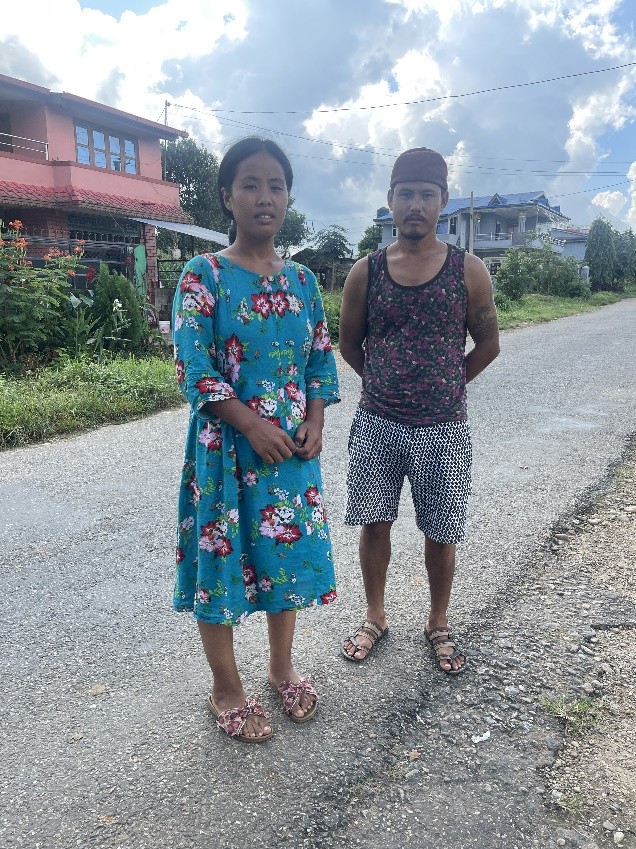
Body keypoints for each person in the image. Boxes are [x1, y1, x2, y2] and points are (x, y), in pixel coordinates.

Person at [172, 137, 340, 742]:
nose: (264, 197)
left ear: (288, 198)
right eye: (251, 184)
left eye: (276, 186)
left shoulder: (303, 280)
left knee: (283, 560)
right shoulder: (204, 276)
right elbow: (194, 367)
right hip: (225, 450)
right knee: (220, 565)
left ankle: (281, 667)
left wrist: (315, 421)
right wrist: (250, 422)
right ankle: (226, 687)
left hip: (289, 454)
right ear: (227, 196)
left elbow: (320, 358)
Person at [339, 147, 500, 674]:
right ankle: (376, 615)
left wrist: (447, 386)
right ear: (389, 201)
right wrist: (386, 387)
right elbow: (350, 345)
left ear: (443, 202)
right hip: (376, 425)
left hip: (445, 429)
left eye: (426, 195)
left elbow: (488, 344)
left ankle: (437, 621)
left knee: (441, 531)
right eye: (405, 193)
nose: (415, 204)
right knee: (374, 525)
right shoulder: (365, 272)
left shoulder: (469, 271)